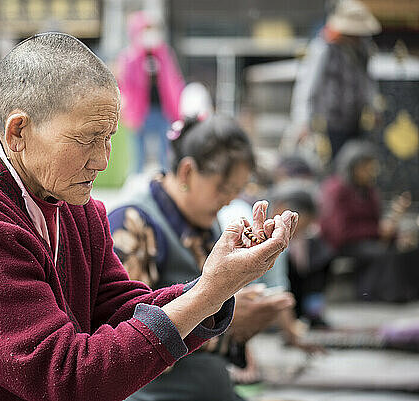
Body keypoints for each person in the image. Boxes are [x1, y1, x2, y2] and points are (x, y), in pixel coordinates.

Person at [0, 33, 297, 401]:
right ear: (19, 131)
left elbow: (123, 311)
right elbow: (66, 380)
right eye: (87, 139)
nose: (103, 159)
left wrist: (216, 283)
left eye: (110, 136)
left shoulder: (76, 210)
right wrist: (211, 291)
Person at [109, 115, 295, 400]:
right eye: (223, 189)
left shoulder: (208, 225)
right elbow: (126, 343)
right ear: (186, 172)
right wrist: (225, 321)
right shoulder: (133, 224)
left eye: (236, 191)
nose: (229, 201)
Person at [287, 0, 382, 162]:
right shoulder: (324, 49)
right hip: (329, 123)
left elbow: (368, 82)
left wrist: (373, 106)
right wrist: (302, 122)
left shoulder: (363, 50)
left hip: (355, 120)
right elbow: (307, 86)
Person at [319, 140, 415, 300]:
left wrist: (393, 234)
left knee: (405, 250)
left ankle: (408, 293)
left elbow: (375, 221)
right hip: (343, 243)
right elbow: (340, 231)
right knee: (382, 253)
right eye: (366, 167)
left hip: (366, 239)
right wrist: (378, 231)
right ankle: (383, 294)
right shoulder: (337, 189)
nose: (371, 172)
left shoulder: (369, 190)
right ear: (354, 167)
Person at [115, 11, 185, 172]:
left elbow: (173, 80)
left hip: (163, 110)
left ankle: (165, 180)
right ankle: (135, 183)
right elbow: (125, 83)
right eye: (145, 30)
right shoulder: (129, 56)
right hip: (140, 112)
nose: (150, 34)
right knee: (138, 154)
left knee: (165, 152)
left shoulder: (163, 53)